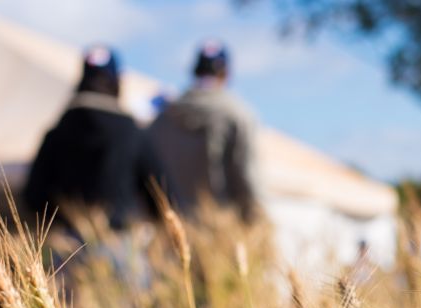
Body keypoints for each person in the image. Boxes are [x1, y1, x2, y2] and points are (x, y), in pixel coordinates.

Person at [24, 45, 169, 230]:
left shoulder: (56, 134)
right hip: (123, 244)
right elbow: (162, 194)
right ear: (116, 81)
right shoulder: (132, 133)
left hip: (70, 248)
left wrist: (66, 219)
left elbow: (33, 196)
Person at [148, 40, 260, 222]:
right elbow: (246, 175)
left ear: (195, 70)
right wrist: (257, 220)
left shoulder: (162, 118)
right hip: (219, 227)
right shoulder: (237, 115)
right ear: (226, 74)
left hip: (171, 227)